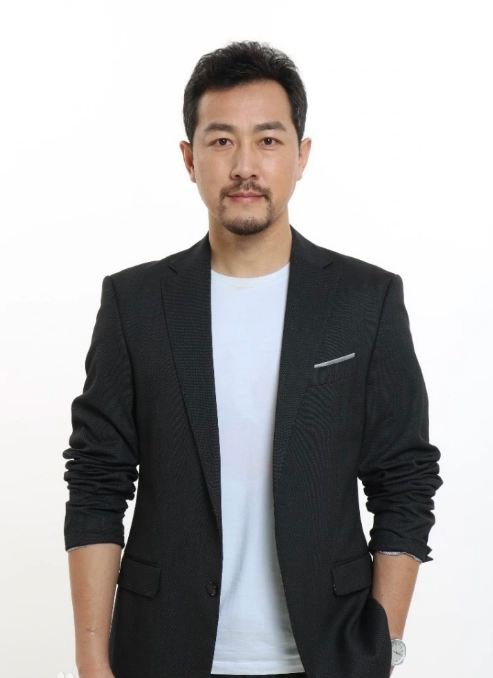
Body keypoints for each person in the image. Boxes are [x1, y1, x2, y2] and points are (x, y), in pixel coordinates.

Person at [63, 40, 443, 678]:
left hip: (328, 655)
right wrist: (92, 660)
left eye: (268, 140)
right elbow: (97, 481)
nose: (244, 166)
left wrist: (384, 640)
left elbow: (404, 477)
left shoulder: (366, 300)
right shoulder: (136, 303)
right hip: (162, 653)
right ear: (190, 159)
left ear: (302, 155)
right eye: (221, 141)